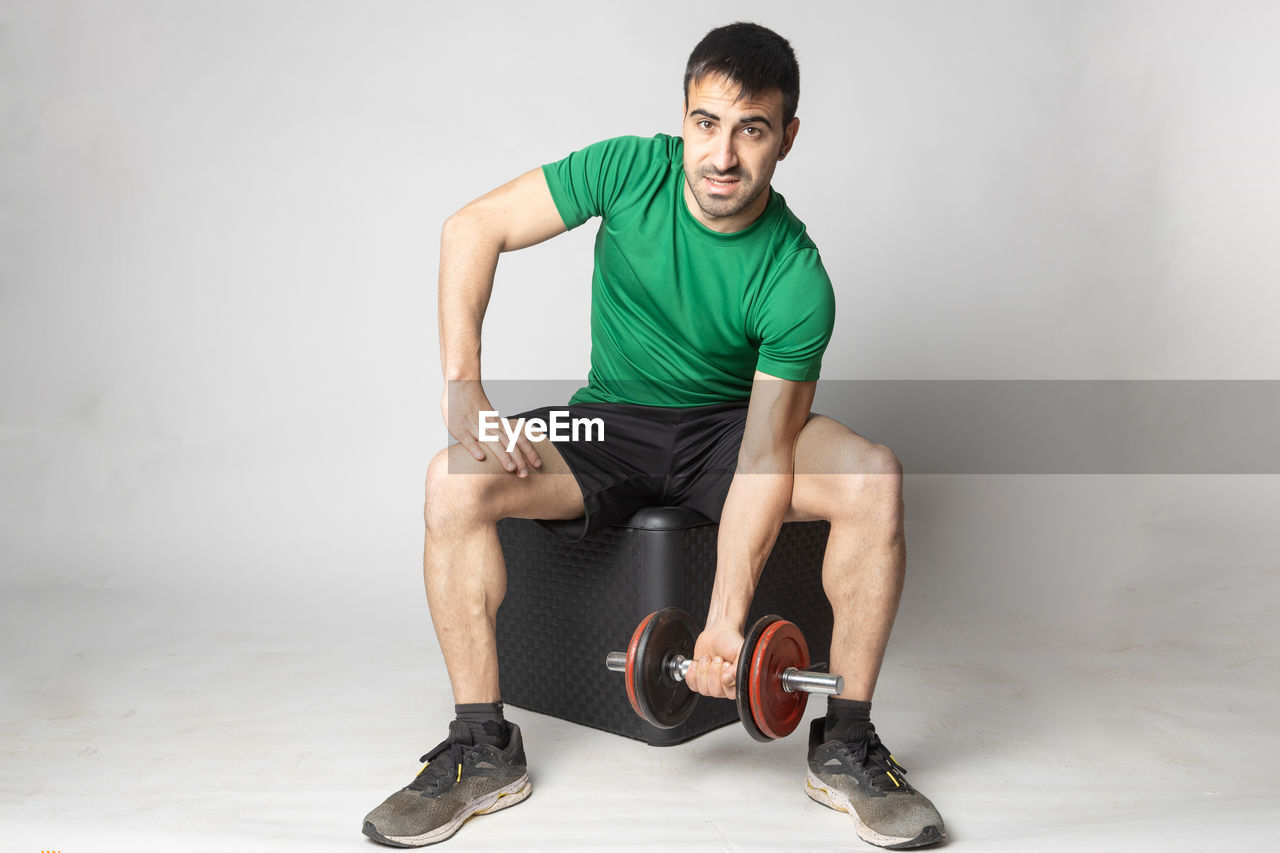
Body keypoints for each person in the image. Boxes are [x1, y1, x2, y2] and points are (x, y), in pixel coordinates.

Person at [363, 22, 946, 850]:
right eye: (706, 123)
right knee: (449, 480)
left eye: (752, 129)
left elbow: (764, 454)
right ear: (683, 120)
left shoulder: (796, 277)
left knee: (873, 477)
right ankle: (480, 748)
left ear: (788, 137)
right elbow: (472, 229)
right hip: (610, 422)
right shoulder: (627, 170)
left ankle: (846, 742)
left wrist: (723, 623)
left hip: (731, 433)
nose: (723, 156)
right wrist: (464, 390)